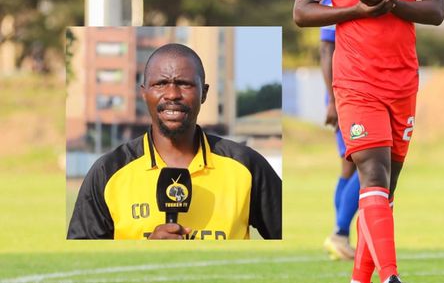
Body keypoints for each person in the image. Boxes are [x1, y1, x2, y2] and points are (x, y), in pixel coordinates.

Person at [293, 0, 444, 282]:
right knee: (371, 174)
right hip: (356, 81)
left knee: (383, 191)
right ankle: (392, 276)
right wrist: (355, 11)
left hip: (403, 81)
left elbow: (436, 11)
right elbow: (302, 12)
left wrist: (393, 4)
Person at [67, 43, 282, 240]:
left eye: (184, 84)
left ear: (204, 93)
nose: (172, 94)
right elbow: (81, 262)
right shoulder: (108, 171)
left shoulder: (246, 165)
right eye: (161, 84)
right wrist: (144, 252)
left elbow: (293, 246)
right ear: (144, 93)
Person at [320, 0, 360, 260]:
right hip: (347, 96)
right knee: (371, 163)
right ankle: (340, 233)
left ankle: (339, 238)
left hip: (359, 92)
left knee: (350, 166)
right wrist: (333, 101)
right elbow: (326, 50)